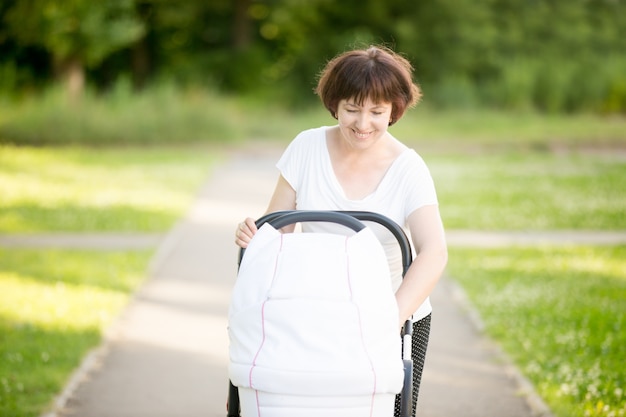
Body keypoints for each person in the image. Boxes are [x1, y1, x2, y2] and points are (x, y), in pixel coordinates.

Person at [234, 45, 448, 416]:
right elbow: (278, 229)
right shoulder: (306, 146)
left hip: (390, 313)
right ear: (335, 104)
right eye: (352, 109)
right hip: (314, 310)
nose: (363, 124)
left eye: (377, 112)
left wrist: (389, 320)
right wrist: (258, 238)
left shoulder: (409, 168)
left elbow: (434, 252)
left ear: (394, 111)